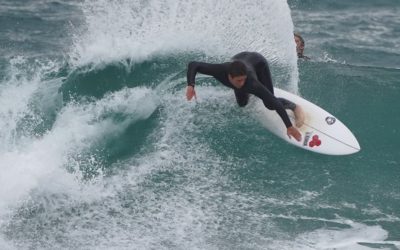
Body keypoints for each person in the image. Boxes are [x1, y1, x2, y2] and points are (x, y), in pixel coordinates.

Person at [186, 51, 304, 142]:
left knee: (269, 104)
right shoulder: (219, 70)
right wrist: (191, 85)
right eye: (239, 80)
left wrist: (289, 126)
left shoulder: (251, 83)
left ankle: (294, 107)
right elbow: (194, 65)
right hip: (240, 59)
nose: (242, 83)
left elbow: (275, 102)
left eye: (243, 80)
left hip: (258, 63)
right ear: (229, 77)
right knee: (242, 103)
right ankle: (249, 94)